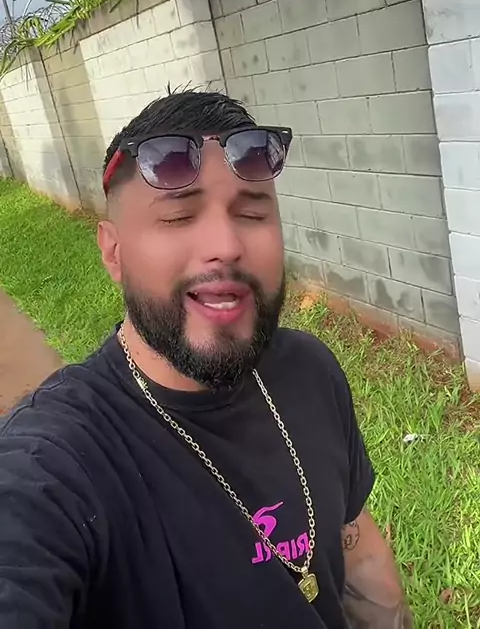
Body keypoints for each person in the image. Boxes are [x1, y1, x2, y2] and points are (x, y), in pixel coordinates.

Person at [0, 89, 413, 628]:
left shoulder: (310, 370)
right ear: (113, 252)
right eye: (179, 216)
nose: (226, 244)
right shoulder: (56, 460)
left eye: (252, 212)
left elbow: (357, 549)